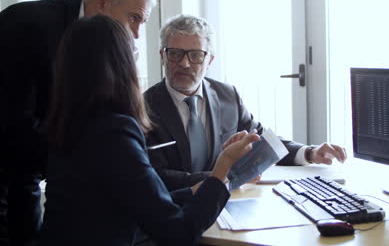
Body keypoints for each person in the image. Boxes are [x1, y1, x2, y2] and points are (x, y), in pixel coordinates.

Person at [40, 14, 259, 246]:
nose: (185, 63)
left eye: (195, 55)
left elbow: (129, 201)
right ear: (120, 65)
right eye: (133, 54)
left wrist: (192, 192)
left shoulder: (67, 123)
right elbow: (177, 234)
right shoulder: (116, 132)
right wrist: (222, 167)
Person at [0, 0, 156, 244]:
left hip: (40, 177)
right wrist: (81, 160)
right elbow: (12, 120)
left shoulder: (104, 46)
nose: (138, 34)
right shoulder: (27, 24)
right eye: (135, 17)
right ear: (103, 0)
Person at [144, 14, 348, 191]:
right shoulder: (143, 107)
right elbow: (152, 175)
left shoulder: (227, 95)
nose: (185, 63)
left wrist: (310, 153)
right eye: (175, 54)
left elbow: (261, 141)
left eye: (196, 55)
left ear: (210, 60)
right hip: (176, 211)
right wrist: (220, 177)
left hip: (230, 203)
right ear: (163, 55)